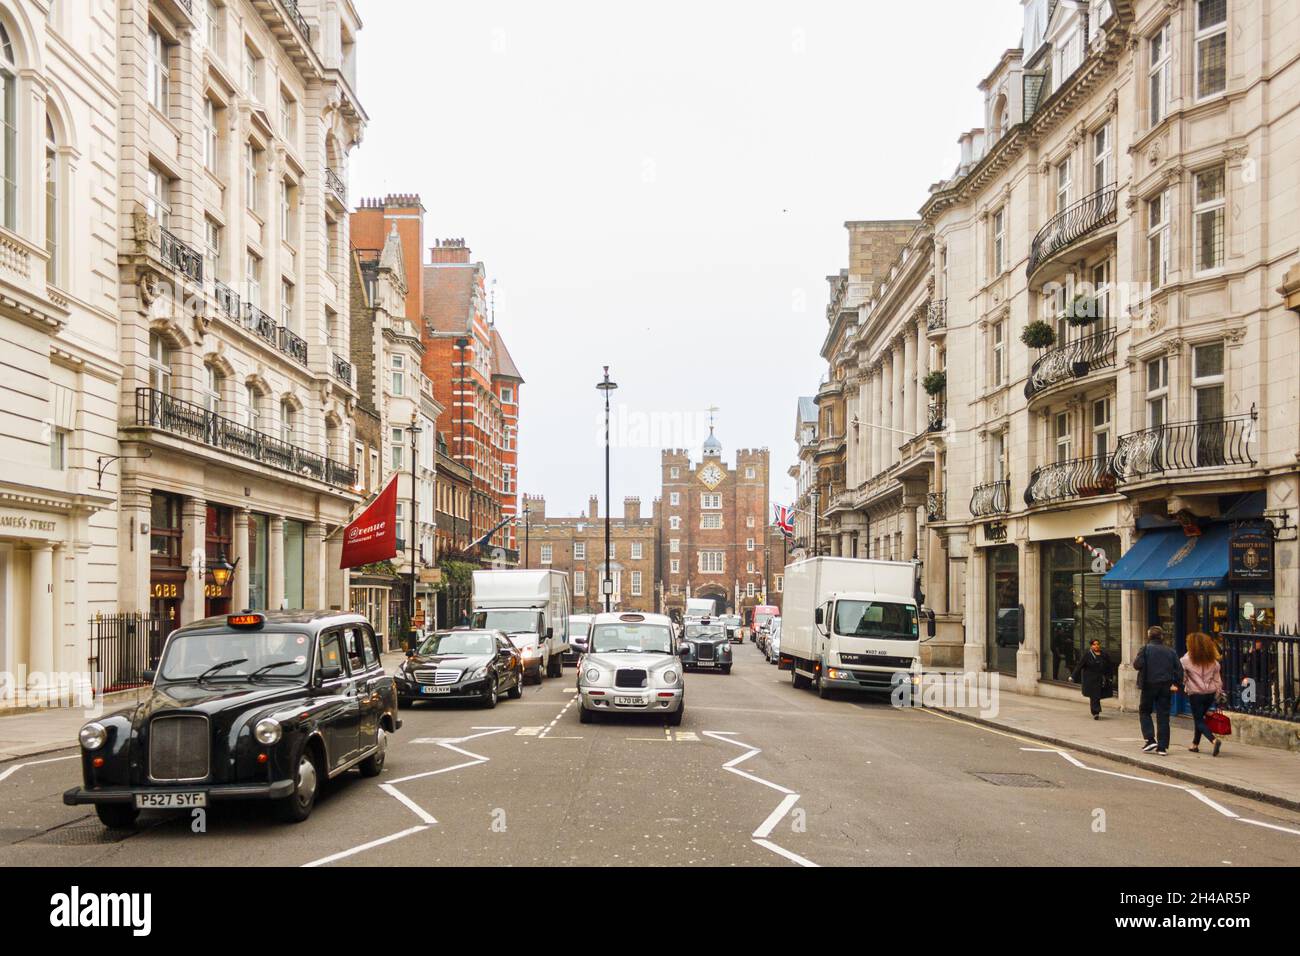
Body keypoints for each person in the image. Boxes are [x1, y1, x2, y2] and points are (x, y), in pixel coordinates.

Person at [1133, 625, 1182, 756]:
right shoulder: (1170, 651)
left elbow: (1137, 665)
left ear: (1149, 636)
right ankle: (1162, 747)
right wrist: (1177, 683)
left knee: (1144, 711)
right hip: (1165, 686)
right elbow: (1179, 669)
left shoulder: (1145, 649)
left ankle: (1150, 739)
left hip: (1149, 685)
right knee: (1163, 716)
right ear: (1161, 637)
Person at [1180, 631, 1224, 756]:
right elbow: (1218, 681)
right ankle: (1195, 744)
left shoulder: (1185, 660)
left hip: (1196, 693)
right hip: (1209, 694)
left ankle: (1214, 740)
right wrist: (1218, 693)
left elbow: (1182, 677)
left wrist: (1185, 685)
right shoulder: (1214, 662)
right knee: (1200, 718)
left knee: (1198, 719)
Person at [1070, 638, 1113, 719]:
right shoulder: (1087, 655)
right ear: (1091, 646)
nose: (1096, 646)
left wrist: (1110, 677)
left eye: (1097, 644)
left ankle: (1096, 710)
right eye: (1094, 644)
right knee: (1094, 695)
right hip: (1090, 679)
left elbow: (1109, 666)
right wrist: (1072, 676)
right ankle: (1095, 712)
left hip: (1100, 679)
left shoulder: (1104, 654)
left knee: (1097, 695)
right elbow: (1079, 666)